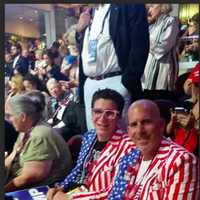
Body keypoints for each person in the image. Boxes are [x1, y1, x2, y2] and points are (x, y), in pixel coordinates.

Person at [47, 88, 136, 200]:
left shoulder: (129, 148)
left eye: (110, 113)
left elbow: (116, 192)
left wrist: (70, 198)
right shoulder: (89, 136)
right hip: (75, 191)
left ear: (119, 117)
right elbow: (78, 170)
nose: (102, 119)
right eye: (98, 112)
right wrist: (60, 188)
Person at [76, 4, 149, 130]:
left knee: (119, 139)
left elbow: (140, 44)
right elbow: (85, 50)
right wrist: (79, 32)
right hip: (90, 84)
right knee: (95, 137)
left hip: (116, 82)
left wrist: (126, 83)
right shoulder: (89, 11)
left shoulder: (128, 6)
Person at [108, 99, 199, 199]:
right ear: (128, 131)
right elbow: (112, 193)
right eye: (134, 124)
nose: (139, 131)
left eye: (146, 122)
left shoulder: (181, 161)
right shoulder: (130, 156)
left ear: (161, 125)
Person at [4, 93, 72, 192]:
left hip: (39, 190)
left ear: (23, 116)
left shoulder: (40, 136)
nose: (7, 120)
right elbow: (12, 158)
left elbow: (27, 179)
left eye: (9, 115)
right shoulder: (26, 130)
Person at [141, 4, 179, 91]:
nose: (148, 10)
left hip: (162, 74)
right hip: (147, 75)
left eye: (152, 6)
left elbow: (162, 48)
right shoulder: (151, 24)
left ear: (162, 6)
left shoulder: (171, 21)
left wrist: (143, 38)